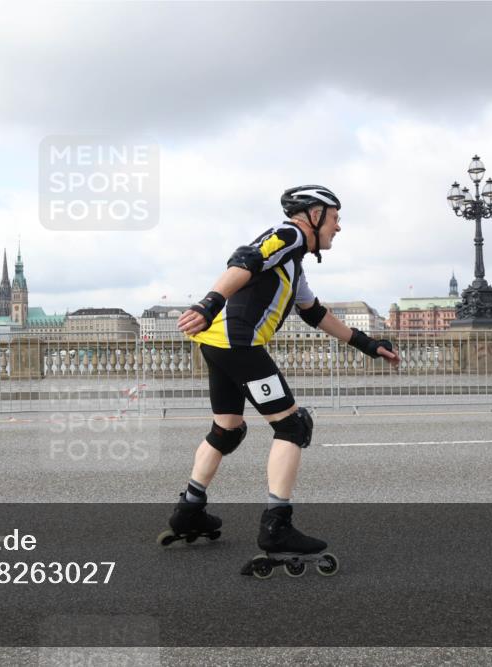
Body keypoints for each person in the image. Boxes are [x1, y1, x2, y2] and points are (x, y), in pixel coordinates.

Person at [164, 185, 401, 560]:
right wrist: (209, 303)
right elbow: (246, 259)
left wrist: (368, 344)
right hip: (237, 342)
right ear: (314, 215)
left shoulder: (294, 263)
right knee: (292, 426)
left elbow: (313, 312)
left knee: (227, 429)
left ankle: (188, 511)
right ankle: (277, 526)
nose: (338, 227)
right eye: (335, 218)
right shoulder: (289, 235)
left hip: (218, 343)